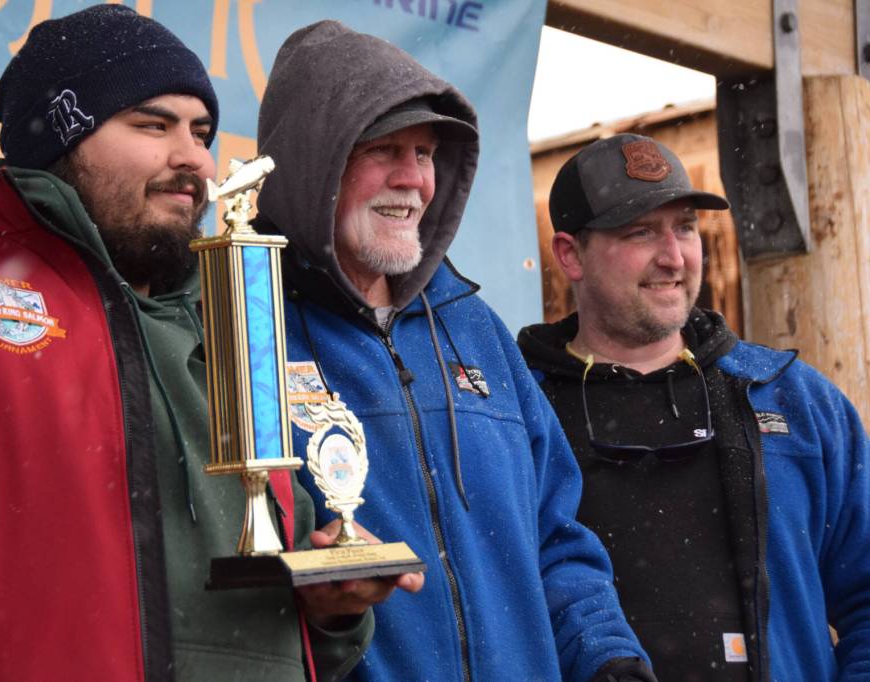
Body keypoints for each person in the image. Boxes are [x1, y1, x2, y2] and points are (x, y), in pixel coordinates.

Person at [0, 6, 394, 681]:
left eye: (201, 132)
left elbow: (299, 641)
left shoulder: (228, 336)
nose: (192, 156)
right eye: (152, 124)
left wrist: (335, 608)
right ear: (60, 141)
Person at [253, 21, 656, 682]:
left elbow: (556, 537)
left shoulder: (476, 329)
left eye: (426, 152)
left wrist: (606, 657)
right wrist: (325, 610)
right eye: (385, 148)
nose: (414, 180)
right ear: (311, 161)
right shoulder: (244, 334)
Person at [517, 133, 870, 680]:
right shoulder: (517, 412)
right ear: (570, 255)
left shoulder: (794, 400)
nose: (674, 256)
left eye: (685, 227)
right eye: (640, 232)